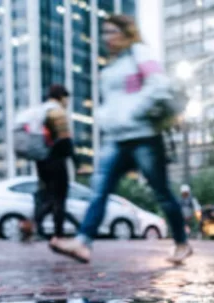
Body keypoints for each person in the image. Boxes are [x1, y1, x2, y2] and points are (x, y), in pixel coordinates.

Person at [50, 15, 192, 264]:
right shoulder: (113, 66)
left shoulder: (140, 53)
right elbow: (111, 103)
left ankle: (181, 242)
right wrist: (105, 118)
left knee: (162, 193)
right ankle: (83, 242)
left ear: (127, 33)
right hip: (117, 138)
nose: (108, 37)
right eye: (104, 32)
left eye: (113, 31)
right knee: (99, 190)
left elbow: (158, 84)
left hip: (144, 136)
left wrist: (133, 113)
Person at [19, 84, 80, 241]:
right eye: (66, 98)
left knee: (48, 197)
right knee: (59, 198)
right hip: (57, 160)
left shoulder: (40, 111)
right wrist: (76, 163)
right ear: (61, 97)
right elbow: (66, 139)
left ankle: (29, 225)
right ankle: (58, 235)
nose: (67, 102)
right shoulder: (57, 112)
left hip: (42, 162)